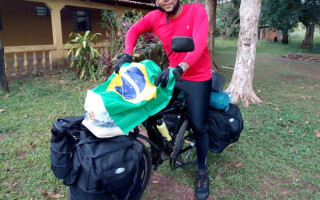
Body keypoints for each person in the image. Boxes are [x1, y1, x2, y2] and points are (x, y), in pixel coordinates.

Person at [114, 0, 212, 199]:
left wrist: (180, 68)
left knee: (199, 125)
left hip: (197, 77)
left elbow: (199, 44)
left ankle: (202, 170)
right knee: (150, 110)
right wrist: (127, 53)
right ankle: (158, 150)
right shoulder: (155, 17)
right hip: (172, 75)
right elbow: (133, 30)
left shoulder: (196, 10)